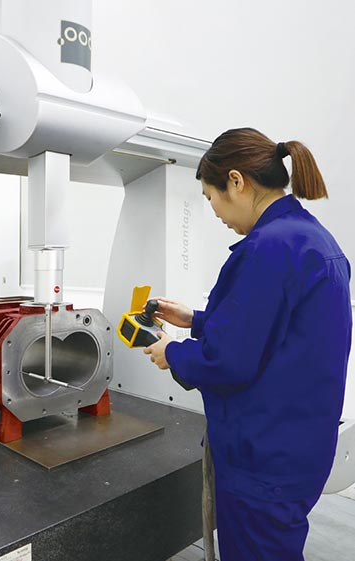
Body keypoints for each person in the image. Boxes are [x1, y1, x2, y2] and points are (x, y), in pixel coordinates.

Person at [144, 127, 352, 561]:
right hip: (300, 448)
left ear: (236, 181)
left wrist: (172, 353)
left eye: (210, 197)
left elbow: (229, 361)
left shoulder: (267, 249)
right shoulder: (313, 239)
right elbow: (277, 333)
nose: (215, 211)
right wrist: (195, 320)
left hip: (263, 459)